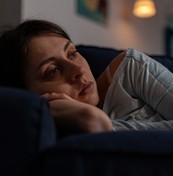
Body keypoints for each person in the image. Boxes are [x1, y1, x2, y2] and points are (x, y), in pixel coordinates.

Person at [0, 19, 173, 135]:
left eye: (73, 53)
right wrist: (87, 118)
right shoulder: (46, 133)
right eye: (52, 70)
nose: (78, 70)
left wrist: (107, 128)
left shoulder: (131, 68)